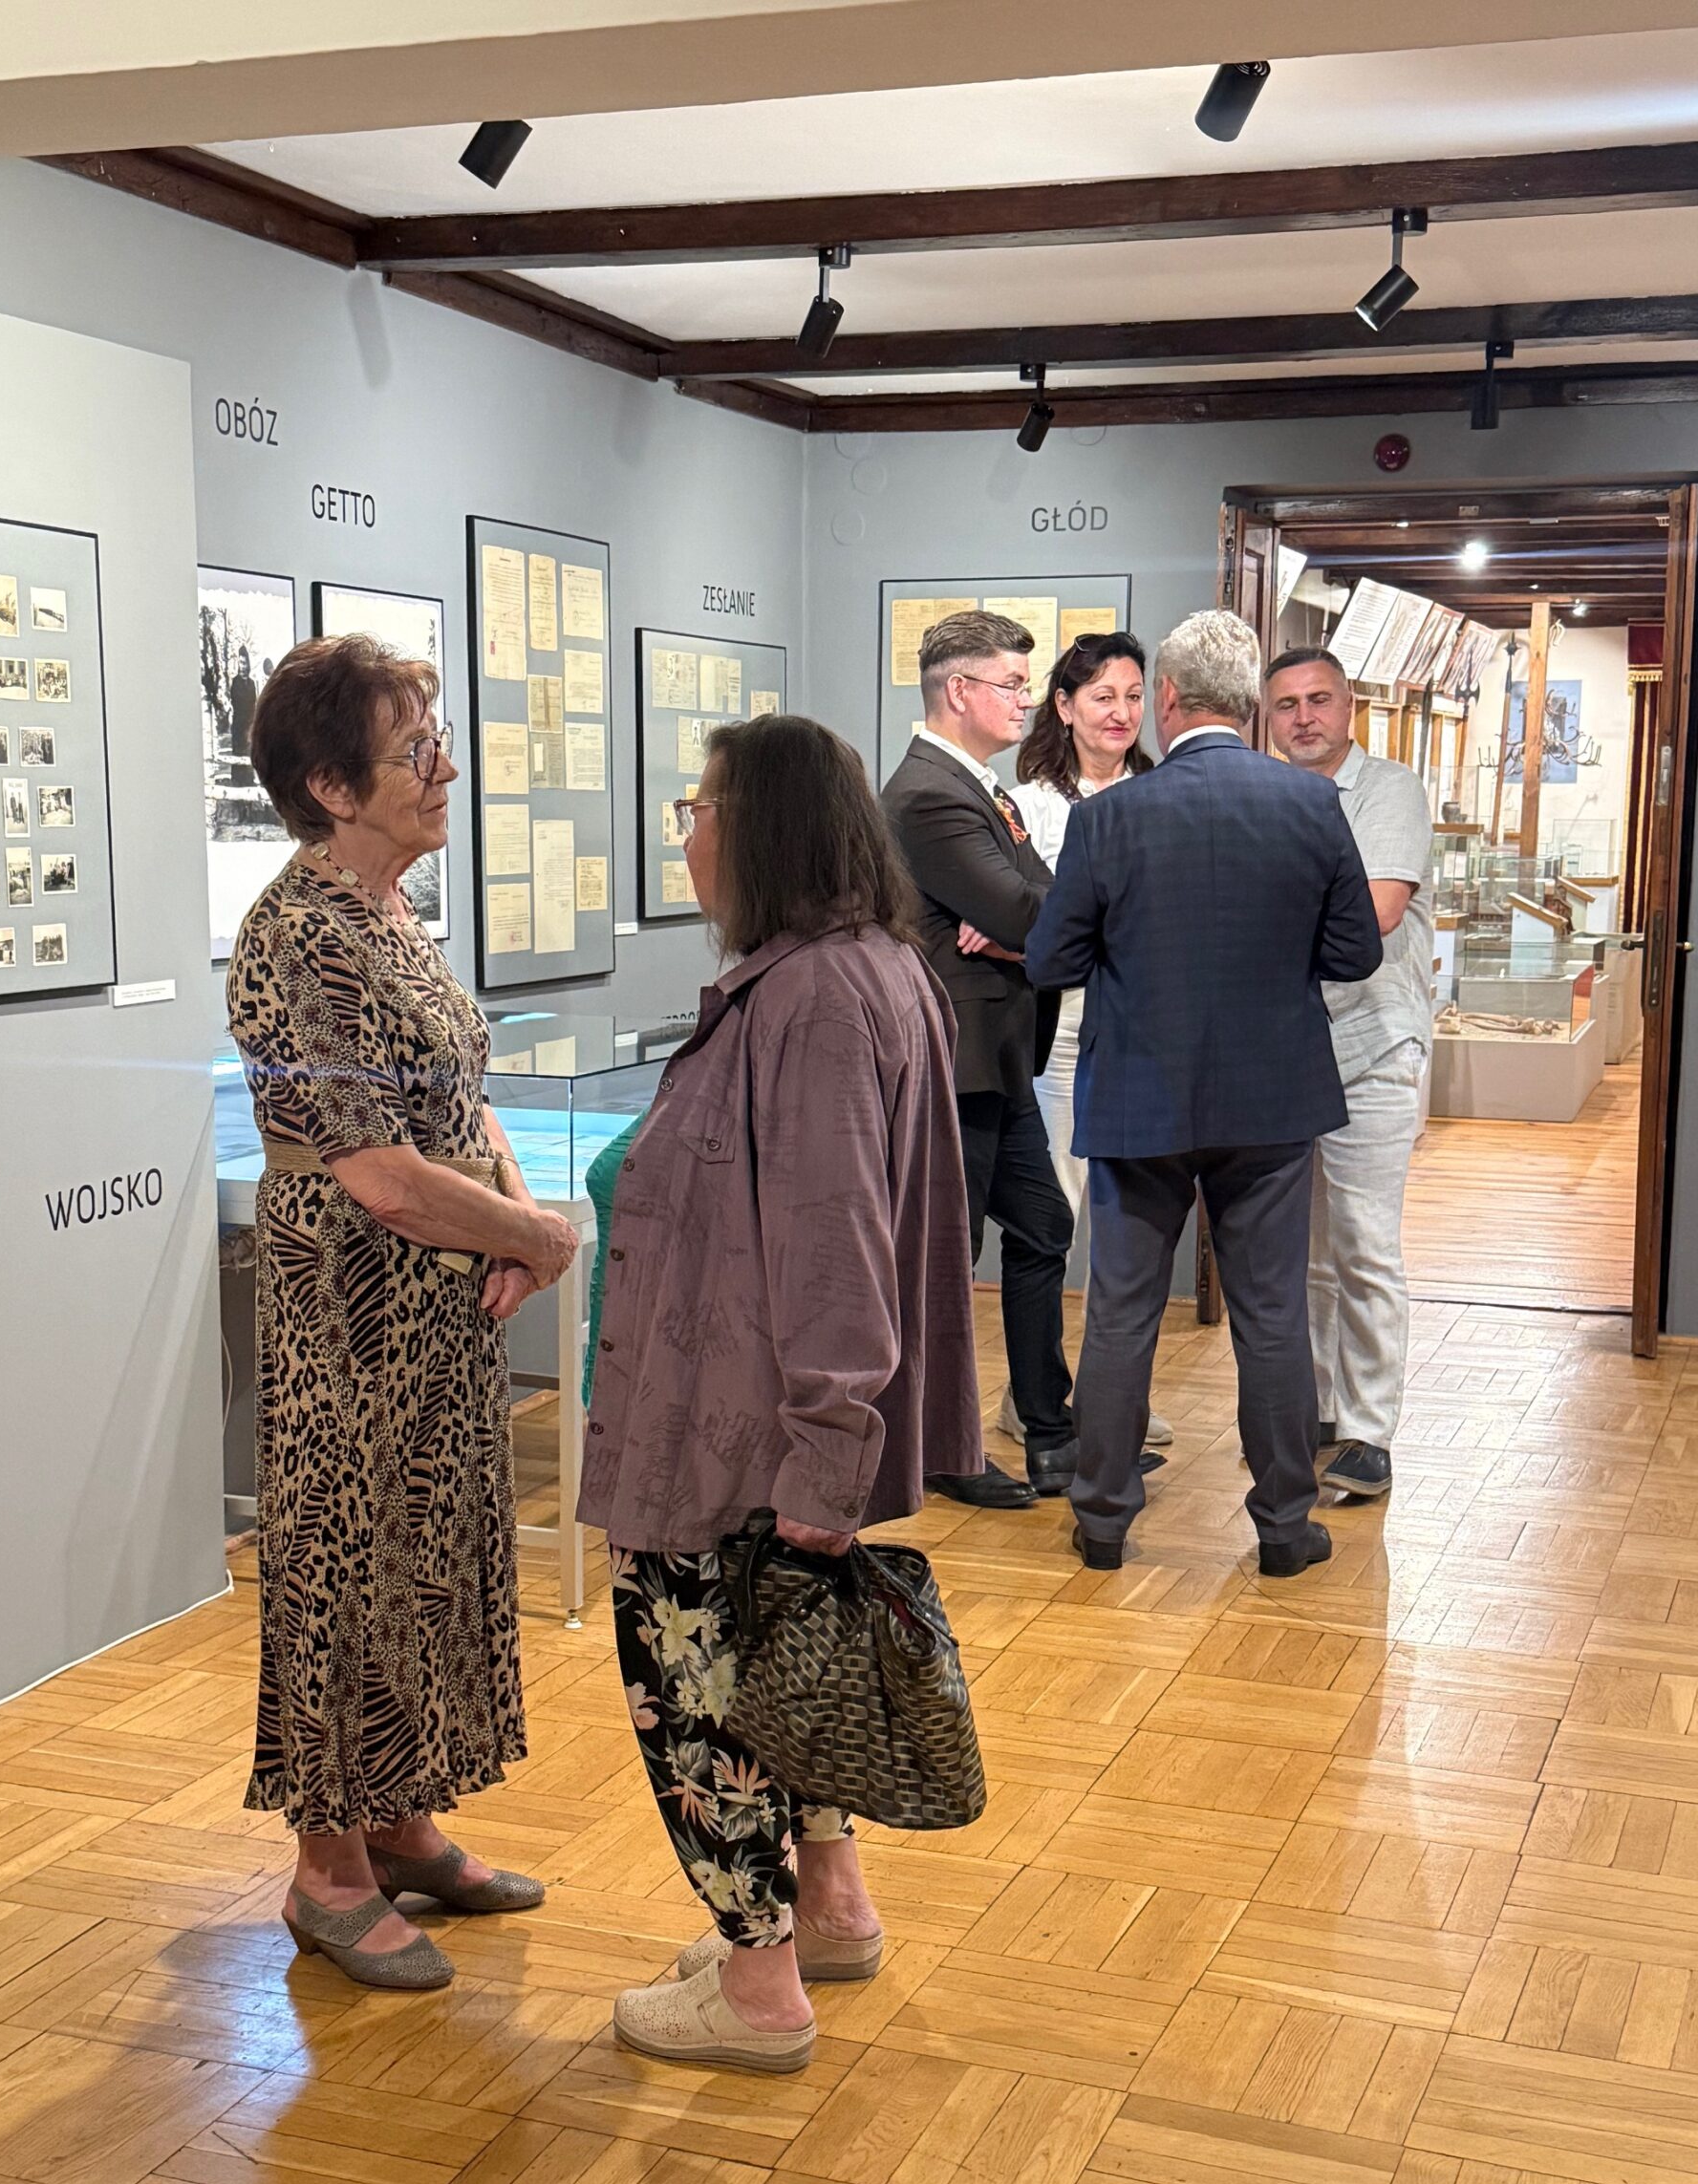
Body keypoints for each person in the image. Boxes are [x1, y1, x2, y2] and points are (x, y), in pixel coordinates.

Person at [582, 714, 980, 2076]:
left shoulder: (810, 998)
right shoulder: (866, 969)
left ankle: (757, 1987)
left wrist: (824, 1451)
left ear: (761, 827)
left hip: (733, 1432)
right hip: (763, 1419)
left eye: (698, 808)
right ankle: (830, 1910)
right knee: (785, 1663)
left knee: (700, 1688)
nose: (688, 834)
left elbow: (834, 1244)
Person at [228, 635, 580, 1989]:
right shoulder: (299, 937)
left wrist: (515, 1214)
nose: (444, 767)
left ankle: (402, 1823)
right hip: (351, 1309)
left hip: (436, 1301)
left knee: (428, 1556)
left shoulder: (389, 913)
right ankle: (327, 1872)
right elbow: (376, 1170)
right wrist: (532, 1237)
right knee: (344, 1563)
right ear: (332, 787)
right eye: (415, 749)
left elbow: (459, 1097)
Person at [1025, 610, 1382, 1581]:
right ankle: (1284, 1526)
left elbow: (1051, 960)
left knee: (1121, 1312)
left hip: (1138, 1097)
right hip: (1272, 1100)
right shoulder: (1312, 803)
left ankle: (1103, 1519)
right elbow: (1356, 950)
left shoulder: (1108, 817)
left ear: (1170, 699)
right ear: (1251, 702)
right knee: (1272, 1315)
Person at [882, 609, 1076, 1510]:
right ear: (958, 691)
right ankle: (939, 1448)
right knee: (947, 1263)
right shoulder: (928, 794)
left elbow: (1043, 903)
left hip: (998, 1060)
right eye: (1012, 685)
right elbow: (1036, 912)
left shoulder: (979, 788)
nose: (1026, 702)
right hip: (957, 1067)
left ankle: (1051, 1433)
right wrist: (1022, 928)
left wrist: (1018, 932)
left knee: (1044, 1227)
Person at [1265, 646, 1434, 1502]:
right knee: (1303, 1254)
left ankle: (1370, 1431)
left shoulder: (1388, 791)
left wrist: (1261, 923)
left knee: (1364, 1245)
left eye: (1319, 700)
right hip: (1291, 1054)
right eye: (1287, 704)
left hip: (1372, 1049)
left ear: (1350, 707)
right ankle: (1323, 1409)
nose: (1304, 718)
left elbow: (1376, 914)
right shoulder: (1268, 795)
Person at [1005, 631, 1172, 1460]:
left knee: (1131, 1230)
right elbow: (1024, 924)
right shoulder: (1027, 804)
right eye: (1103, 696)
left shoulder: (1161, 794)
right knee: (1054, 1219)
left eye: (1134, 696)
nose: (1121, 712)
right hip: (1059, 1039)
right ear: (1065, 706)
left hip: (1145, 1035)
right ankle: (1033, 1396)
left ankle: (1114, 1398)